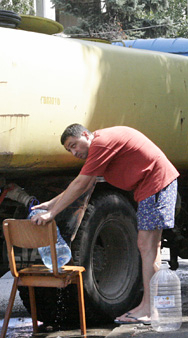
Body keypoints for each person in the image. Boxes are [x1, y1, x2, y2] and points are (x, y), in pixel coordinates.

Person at [30, 124, 179, 325]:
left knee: (147, 245)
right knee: (150, 246)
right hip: (153, 185)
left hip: (156, 183)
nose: (74, 152)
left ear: (85, 134)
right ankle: (151, 306)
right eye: (69, 150)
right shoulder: (100, 145)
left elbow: (82, 183)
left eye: (74, 145)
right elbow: (82, 183)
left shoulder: (101, 143)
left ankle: (149, 309)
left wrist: (52, 214)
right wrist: (51, 204)